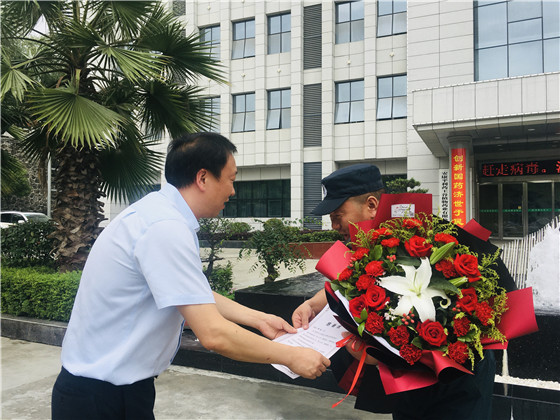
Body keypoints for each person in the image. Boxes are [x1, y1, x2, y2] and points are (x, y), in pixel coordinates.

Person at [52, 132, 330, 420]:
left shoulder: (159, 214)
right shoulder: (164, 227)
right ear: (203, 178)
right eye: (231, 179)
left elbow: (189, 293)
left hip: (116, 389)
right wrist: (292, 357)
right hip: (99, 398)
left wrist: (259, 319)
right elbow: (213, 335)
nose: (233, 191)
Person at [291, 163, 496, 419]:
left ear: (371, 205)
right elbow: (351, 280)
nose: (334, 225)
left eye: (337, 215)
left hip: (457, 381)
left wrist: (378, 356)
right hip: (408, 385)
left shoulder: (424, 241)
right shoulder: (371, 245)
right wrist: (312, 304)